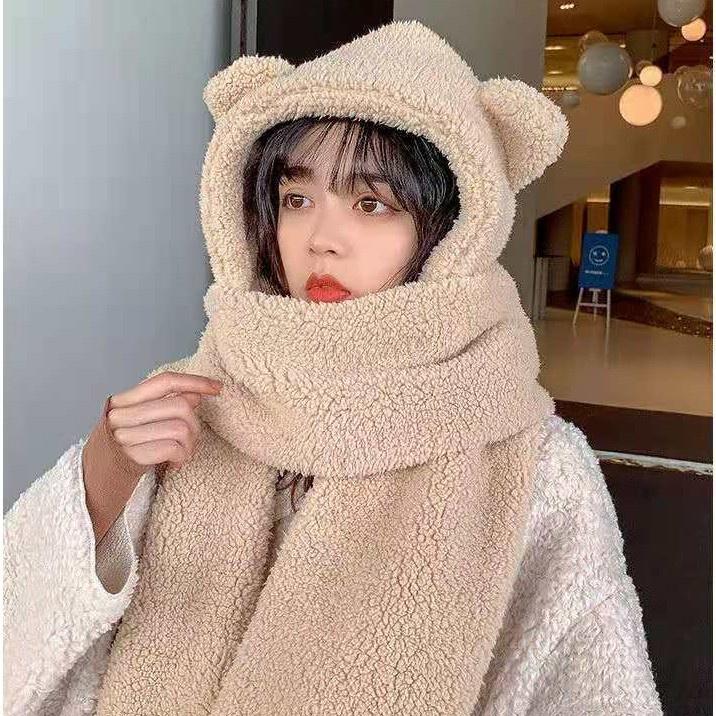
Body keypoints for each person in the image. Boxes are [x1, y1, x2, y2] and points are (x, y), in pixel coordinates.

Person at [4, 19, 663, 715]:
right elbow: (22, 633)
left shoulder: (535, 464)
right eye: (297, 199)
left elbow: (593, 688)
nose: (321, 238)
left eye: (371, 204)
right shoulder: (190, 399)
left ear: (452, 231)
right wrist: (103, 472)